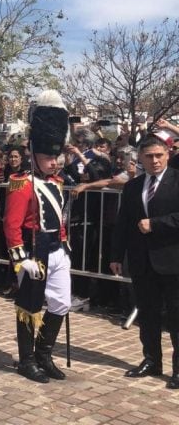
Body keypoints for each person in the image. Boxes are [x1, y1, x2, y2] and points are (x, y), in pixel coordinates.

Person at [4, 89, 71, 384]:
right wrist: (20, 259)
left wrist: (65, 247)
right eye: (48, 157)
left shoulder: (56, 183)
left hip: (56, 249)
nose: (54, 162)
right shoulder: (21, 184)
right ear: (35, 154)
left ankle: (44, 354)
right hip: (34, 251)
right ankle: (27, 359)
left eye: (55, 157)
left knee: (61, 303)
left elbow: (60, 218)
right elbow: (11, 224)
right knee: (29, 307)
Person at [111, 134, 179, 390]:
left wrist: (156, 224)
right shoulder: (133, 186)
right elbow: (124, 224)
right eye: (149, 156)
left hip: (173, 259)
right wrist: (116, 256)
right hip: (142, 261)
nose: (154, 161)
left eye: (159, 155)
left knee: (176, 317)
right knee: (147, 314)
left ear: (167, 155)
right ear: (140, 158)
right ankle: (152, 360)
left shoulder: (177, 180)